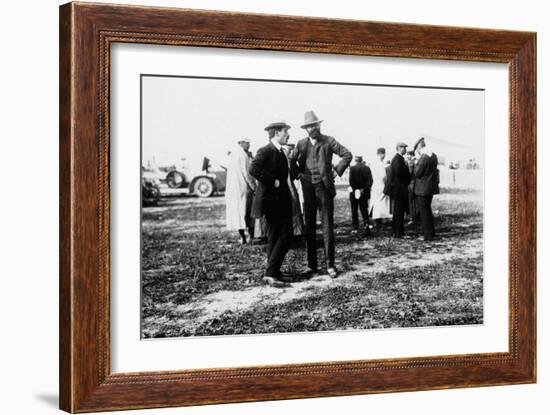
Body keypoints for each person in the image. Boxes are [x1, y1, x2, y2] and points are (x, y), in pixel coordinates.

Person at [290, 110, 352, 278]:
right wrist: (297, 174)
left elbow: (347, 155)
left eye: (314, 125)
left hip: (324, 188)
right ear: (305, 129)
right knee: (309, 225)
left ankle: (330, 265)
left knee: (327, 226)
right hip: (307, 188)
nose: (312, 128)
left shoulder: (329, 141)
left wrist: (335, 171)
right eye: (309, 126)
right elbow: (292, 162)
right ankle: (312, 265)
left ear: (319, 125)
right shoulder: (301, 144)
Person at [249, 120, 294, 286]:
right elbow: (253, 169)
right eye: (285, 131)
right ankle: (270, 272)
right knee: (286, 236)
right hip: (271, 201)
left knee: (275, 237)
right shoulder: (266, 150)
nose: (288, 134)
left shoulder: (281, 152)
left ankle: (273, 272)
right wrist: (272, 180)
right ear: (276, 133)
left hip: (280, 200)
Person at [225, 138, 256, 244]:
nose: (249, 145)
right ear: (241, 143)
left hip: (233, 189)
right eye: (248, 143)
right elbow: (247, 173)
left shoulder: (232, 155)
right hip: (243, 188)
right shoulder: (243, 155)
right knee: (248, 212)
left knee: (237, 213)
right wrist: (253, 186)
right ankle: (250, 236)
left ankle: (242, 237)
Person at [413, 137, 440, 241]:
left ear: (419, 147)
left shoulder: (423, 157)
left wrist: (416, 164)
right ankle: (431, 232)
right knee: (428, 210)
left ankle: (427, 235)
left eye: (417, 150)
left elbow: (417, 173)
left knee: (424, 212)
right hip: (430, 188)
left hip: (422, 189)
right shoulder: (434, 156)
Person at [384, 142, 411, 238]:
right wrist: (408, 176)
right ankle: (399, 233)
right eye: (404, 148)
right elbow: (400, 173)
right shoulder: (397, 159)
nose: (405, 150)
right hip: (399, 189)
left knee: (397, 211)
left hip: (398, 189)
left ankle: (396, 231)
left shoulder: (398, 159)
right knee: (399, 211)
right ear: (399, 148)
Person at [282, 143, 305, 238]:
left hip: (288, 184)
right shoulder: (289, 158)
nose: (290, 151)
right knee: (293, 208)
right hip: (289, 185)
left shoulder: (288, 158)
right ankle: (295, 232)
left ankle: (294, 232)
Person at [348, 155, 373, 234]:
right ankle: (366, 224)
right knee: (364, 209)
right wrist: (364, 189)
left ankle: (355, 227)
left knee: (354, 210)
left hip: (354, 191)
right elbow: (370, 181)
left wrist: (355, 189)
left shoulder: (352, 168)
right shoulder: (367, 168)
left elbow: (351, 181)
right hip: (364, 192)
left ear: (355, 160)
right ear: (362, 160)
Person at [370, 147, 392, 225]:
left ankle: (377, 217)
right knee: (381, 201)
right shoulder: (379, 163)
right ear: (382, 154)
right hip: (380, 184)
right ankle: (379, 218)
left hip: (375, 184)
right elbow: (383, 176)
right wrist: (387, 182)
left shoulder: (373, 162)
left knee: (376, 201)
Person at [405, 150, 417, 225]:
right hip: (414, 184)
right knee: (414, 202)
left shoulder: (411, 163)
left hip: (410, 184)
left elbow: (409, 174)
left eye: (408, 155)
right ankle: (415, 216)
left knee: (410, 202)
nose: (407, 156)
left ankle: (411, 218)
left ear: (411, 155)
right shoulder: (414, 162)